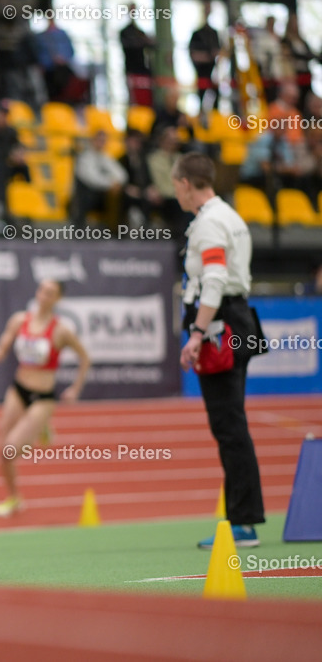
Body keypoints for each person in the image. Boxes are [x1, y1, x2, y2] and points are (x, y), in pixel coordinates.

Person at [173, 152, 265, 549]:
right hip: (236, 317)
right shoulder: (229, 215)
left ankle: (243, 524)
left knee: (229, 426)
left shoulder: (209, 223)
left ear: (184, 184)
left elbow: (213, 280)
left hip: (220, 323)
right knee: (232, 425)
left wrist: (196, 333)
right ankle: (242, 518)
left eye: (175, 185)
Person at [0, 279, 90, 517]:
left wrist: (75, 388)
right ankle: (14, 498)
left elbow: (85, 358)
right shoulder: (19, 320)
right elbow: (4, 343)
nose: (44, 296)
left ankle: (41, 425)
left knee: (11, 449)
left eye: (51, 293)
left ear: (58, 299)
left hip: (43, 397)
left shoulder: (61, 330)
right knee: (2, 450)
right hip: (18, 389)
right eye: (42, 290)